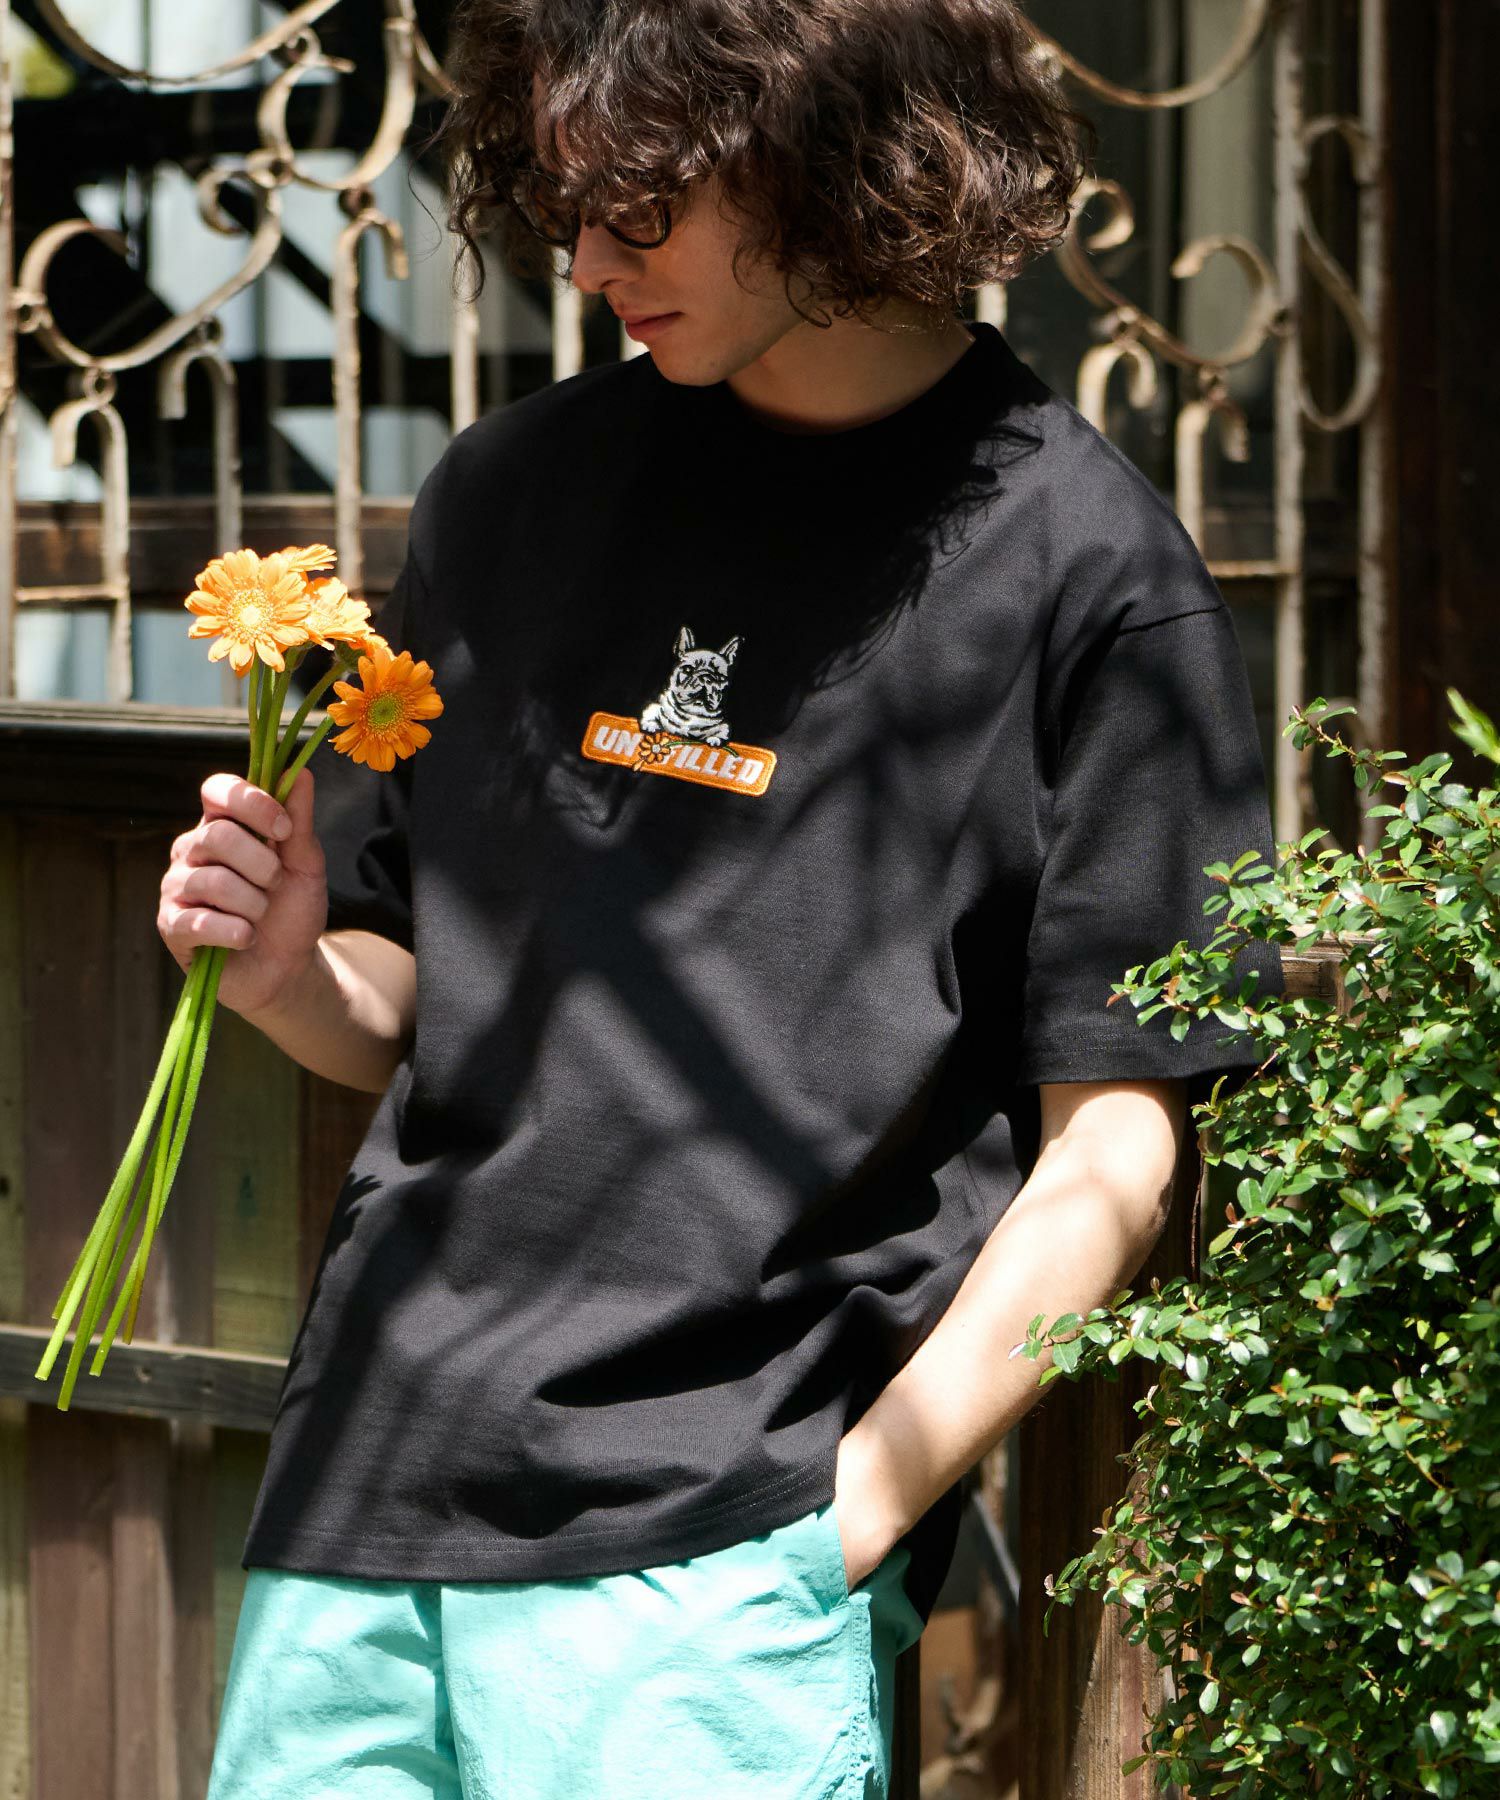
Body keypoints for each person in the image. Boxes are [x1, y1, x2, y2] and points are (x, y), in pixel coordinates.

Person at [164, 1, 1283, 1794]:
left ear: (834, 155)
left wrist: (851, 1513)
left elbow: (1118, 1150)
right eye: (566, 204)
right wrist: (294, 967)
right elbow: (405, 1003)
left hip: (717, 1565)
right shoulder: (508, 494)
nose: (587, 261)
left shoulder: (1093, 581)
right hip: (363, 1494)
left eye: (645, 204)